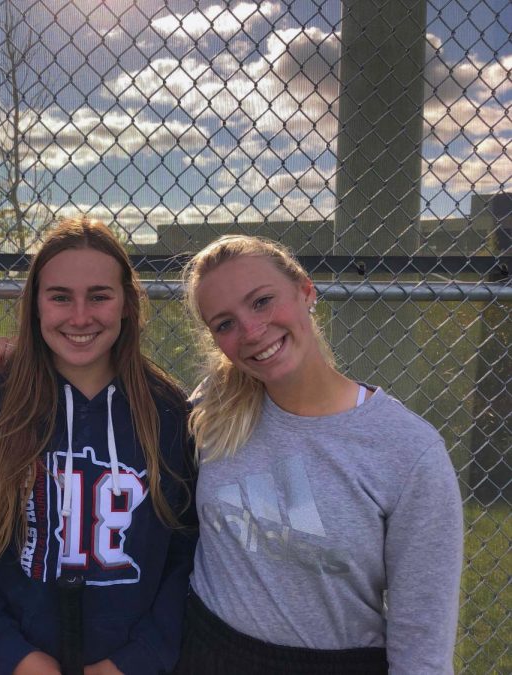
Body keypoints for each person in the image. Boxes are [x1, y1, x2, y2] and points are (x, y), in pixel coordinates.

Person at [177, 234, 463, 674]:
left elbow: (423, 648)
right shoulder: (214, 408)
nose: (252, 331)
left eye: (262, 302)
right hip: (207, 652)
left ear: (306, 291)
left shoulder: (408, 452)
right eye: (225, 324)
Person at [0, 217, 195, 675]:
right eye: (59, 297)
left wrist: (136, 660)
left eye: (99, 295)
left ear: (127, 304)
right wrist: (16, 658)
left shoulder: (167, 415)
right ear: (35, 305)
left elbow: (186, 558)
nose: (79, 317)